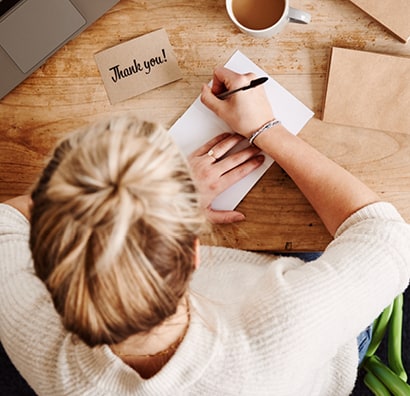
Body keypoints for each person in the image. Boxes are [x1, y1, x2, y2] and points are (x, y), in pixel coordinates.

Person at [0, 67, 409, 396]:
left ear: (46, 273)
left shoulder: (42, 345)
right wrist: (267, 128)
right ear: (194, 253)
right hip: (313, 358)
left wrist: (156, 207)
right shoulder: (289, 322)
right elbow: (387, 236)